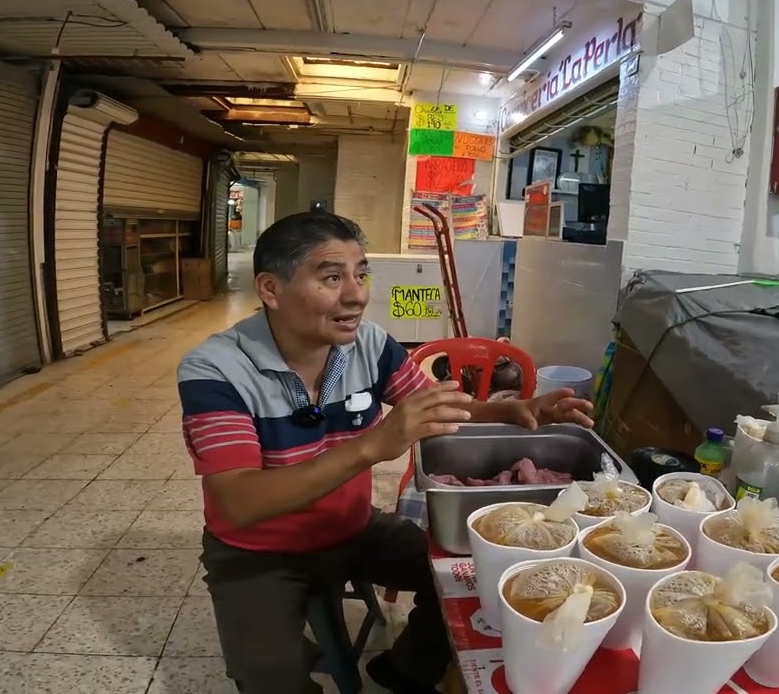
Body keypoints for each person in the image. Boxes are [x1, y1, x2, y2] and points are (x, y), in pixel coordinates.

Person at [177, 212, 594, 694]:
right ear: (271, 289)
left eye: (361, 274)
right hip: (258, 552)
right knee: (268, 673)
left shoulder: (370, 345)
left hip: (352, 527)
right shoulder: (216, 369)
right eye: (332, 277)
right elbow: (239, 501)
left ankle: (405, 669)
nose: (356, 294)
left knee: (480, 581)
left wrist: (516, 409)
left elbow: (435, 406)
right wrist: (373, 444)